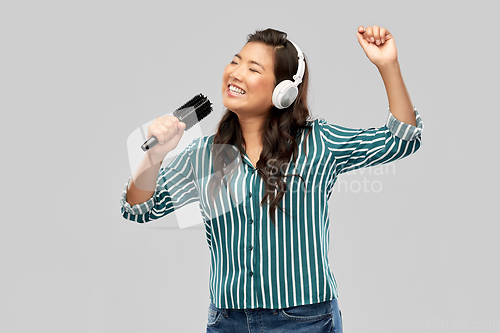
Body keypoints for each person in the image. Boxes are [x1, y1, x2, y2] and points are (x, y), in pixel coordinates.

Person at [120, 26, 423, 333]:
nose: (236, 73)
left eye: (253, 68)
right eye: (236, 62)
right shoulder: (204, 154)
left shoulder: (319, 142)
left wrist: (388, 66)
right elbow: (139, 209)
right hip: (227, 322)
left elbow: (402, 139)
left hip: (305, 321)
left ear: (283, 92)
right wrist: (154, 156)